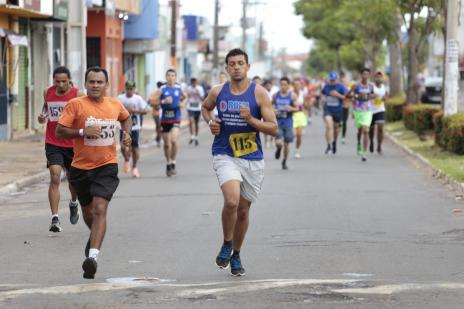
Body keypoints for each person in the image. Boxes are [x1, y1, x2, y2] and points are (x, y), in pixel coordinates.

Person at [201, 48, 277, 276]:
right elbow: (205, 108)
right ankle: (227, 242)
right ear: (226, 68)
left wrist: (251, 119)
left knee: (243, 212)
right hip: (225, 154)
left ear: (248, 67)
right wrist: (210, 122)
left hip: (252, 158)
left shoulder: (259, 93)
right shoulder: (218, 91)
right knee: (232, 202)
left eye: (240, 63)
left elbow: (273, 128)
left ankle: (236, 253)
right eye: (232, 63)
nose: (236, 67)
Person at [56, 66, 132, 279]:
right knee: (89, 213)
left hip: (106, 167)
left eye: (100, 82)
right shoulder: (76, 105)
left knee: (100, 210)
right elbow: (59, 131)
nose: (96, 85)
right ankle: (95, 237)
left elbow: (126, 118)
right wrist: (82, 131)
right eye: (92, 82)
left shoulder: (114, 104)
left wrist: (126, 134)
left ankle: (93, 257)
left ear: (106, 85)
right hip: (80, 169)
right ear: (85, 84)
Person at [37, 66, 84, 232]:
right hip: (53, 142)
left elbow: (84, 113)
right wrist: (43, 115)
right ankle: (55, 218)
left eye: (64, 81)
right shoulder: (47, 92)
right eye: (57, 81)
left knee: (73, 181)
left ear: (69, 80)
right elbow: (46, 107)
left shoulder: (78, 94)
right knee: (55, 176)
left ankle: (73, 203)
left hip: (72, 144)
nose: (61, 84)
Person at [152, 69, 186, 177]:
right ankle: (168, 163)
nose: (171, 77)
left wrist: (182, 103)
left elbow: (185, 97)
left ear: (175, 77)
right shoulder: (162, 89)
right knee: (167, 144)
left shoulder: (179, 88)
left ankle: (173, 161)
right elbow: (153, 101)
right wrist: (163, 101)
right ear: (166, 77)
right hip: (165, 119)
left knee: (174, 141)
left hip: (176, 118)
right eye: (169, 75)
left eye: (173, 75)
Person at [117, 80, 148, 177]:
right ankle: (126, 159)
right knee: (122, 147)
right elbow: (115, 110)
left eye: (131, 89)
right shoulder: (120, 98)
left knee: (135, 148)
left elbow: (145, 111)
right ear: (125, 89)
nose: (129, 91)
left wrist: (135, 111)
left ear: (134, 89)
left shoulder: (138, 99)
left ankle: (134, 167)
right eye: (128, 89)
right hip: (123, 127)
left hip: (135, 127)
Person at [348, 68, 374, 162]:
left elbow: (373, 95)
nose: (365, 76)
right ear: (361, 75)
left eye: (367, 74)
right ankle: (359, 143)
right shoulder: (356, 85)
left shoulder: (371, 85)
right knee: (360, 130)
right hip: (358, 110)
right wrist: (357, 96)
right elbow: (348, 95)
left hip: (368, 110)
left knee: (366, 130)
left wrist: (370, 96)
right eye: (364, 74)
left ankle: (364, 153)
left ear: (369, 75)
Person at [273, 77, 299, 170]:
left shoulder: (292, 96)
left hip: (288, 122)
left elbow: (298, 108)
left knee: (287, 144)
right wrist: (273, 111)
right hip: (278, 122)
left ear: (288, 86)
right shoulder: (275, 95)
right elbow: (268, 106)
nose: (283, 86)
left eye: (285, 85)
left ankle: (284, 161)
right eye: (281, 84)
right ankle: (278, 149)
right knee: (279, 142)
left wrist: (291, 109)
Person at [321, 72, 349, 155]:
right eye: (331, 80)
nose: (332, 82)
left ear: (337, 79)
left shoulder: (341, 86)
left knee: (336, 128)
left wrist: (338, 95)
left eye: (333, 80)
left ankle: (334, 142)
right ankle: (328, 145)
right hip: (328, 109)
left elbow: (347, 97)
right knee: (329, 126)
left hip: (338, 110)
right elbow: (322, 94)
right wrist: (323, 98)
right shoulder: (326, 86)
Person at [369, 71, 388, 154]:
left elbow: (386, 96)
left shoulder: (384, 87)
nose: (378, 78)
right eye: (377, 77)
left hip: (380, 109)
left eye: (380, 77)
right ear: (374, 78)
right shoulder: (371, 87)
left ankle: (379, 146)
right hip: (370, 110)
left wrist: (385, 98)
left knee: (380, 127)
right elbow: (367, 96)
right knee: (371, 129)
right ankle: (371, 142)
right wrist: (372, 96)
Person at [186, 78, 205, 146]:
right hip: (190, 107)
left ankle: (196, 136)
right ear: (191, 83)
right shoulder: (188, 88)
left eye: (195, 83)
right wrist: (189, 95)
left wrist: (198, 93)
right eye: (192, 83)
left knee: (196, 123)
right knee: (191, 122)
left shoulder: (200, 88)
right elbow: (187, 97)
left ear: (196, 83)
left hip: (197, 108)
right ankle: (192, 136)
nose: (194, 85)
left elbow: (203, 98)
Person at [292, 79, 307, 158]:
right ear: (293, 85)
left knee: (299, 135)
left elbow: (305, 106)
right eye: (295, 84)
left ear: (300, 85)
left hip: (301, 115)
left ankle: (297, 150)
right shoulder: (290, 94)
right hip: (292, 115)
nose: (297, 86)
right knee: (294, 134)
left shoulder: (302, 94)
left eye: (298, 84)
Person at [148, 81, 164, 147]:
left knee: (159, 126)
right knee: (159, 126)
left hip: (162, 113)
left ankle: (159, 138)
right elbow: (149, 102)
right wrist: (155, 105)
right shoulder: (154, 93)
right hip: (156, 113)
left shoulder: (165, 92)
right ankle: (158, 139)